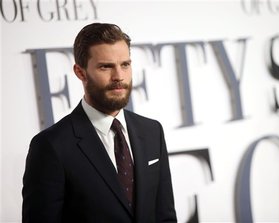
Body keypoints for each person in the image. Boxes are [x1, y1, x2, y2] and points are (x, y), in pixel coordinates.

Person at [22, 22, 177, 223]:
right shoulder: (51, 146)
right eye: (106, 66)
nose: (119, 77)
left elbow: (164, 216)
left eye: (125, 65)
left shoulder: (152, 131)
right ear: (80, 72)